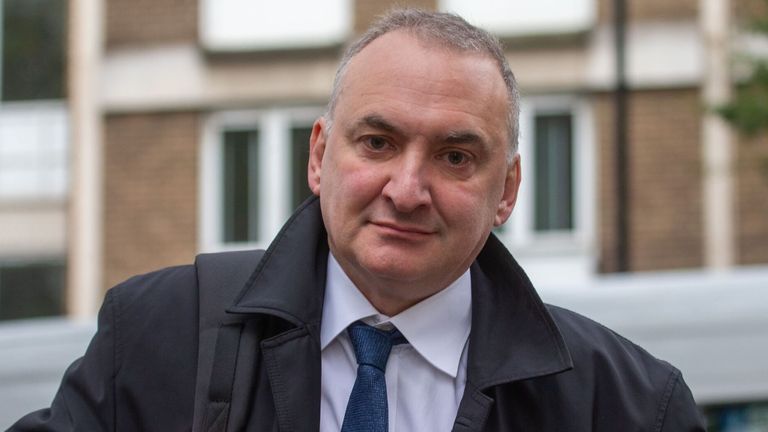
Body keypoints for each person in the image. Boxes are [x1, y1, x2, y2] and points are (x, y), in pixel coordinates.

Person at [9, 9, 706, 432]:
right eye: (377, 143)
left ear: (508, 191)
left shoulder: (629, 406)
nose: (407, 189)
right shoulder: (161, 336)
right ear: (319, 156)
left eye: (456, 157)